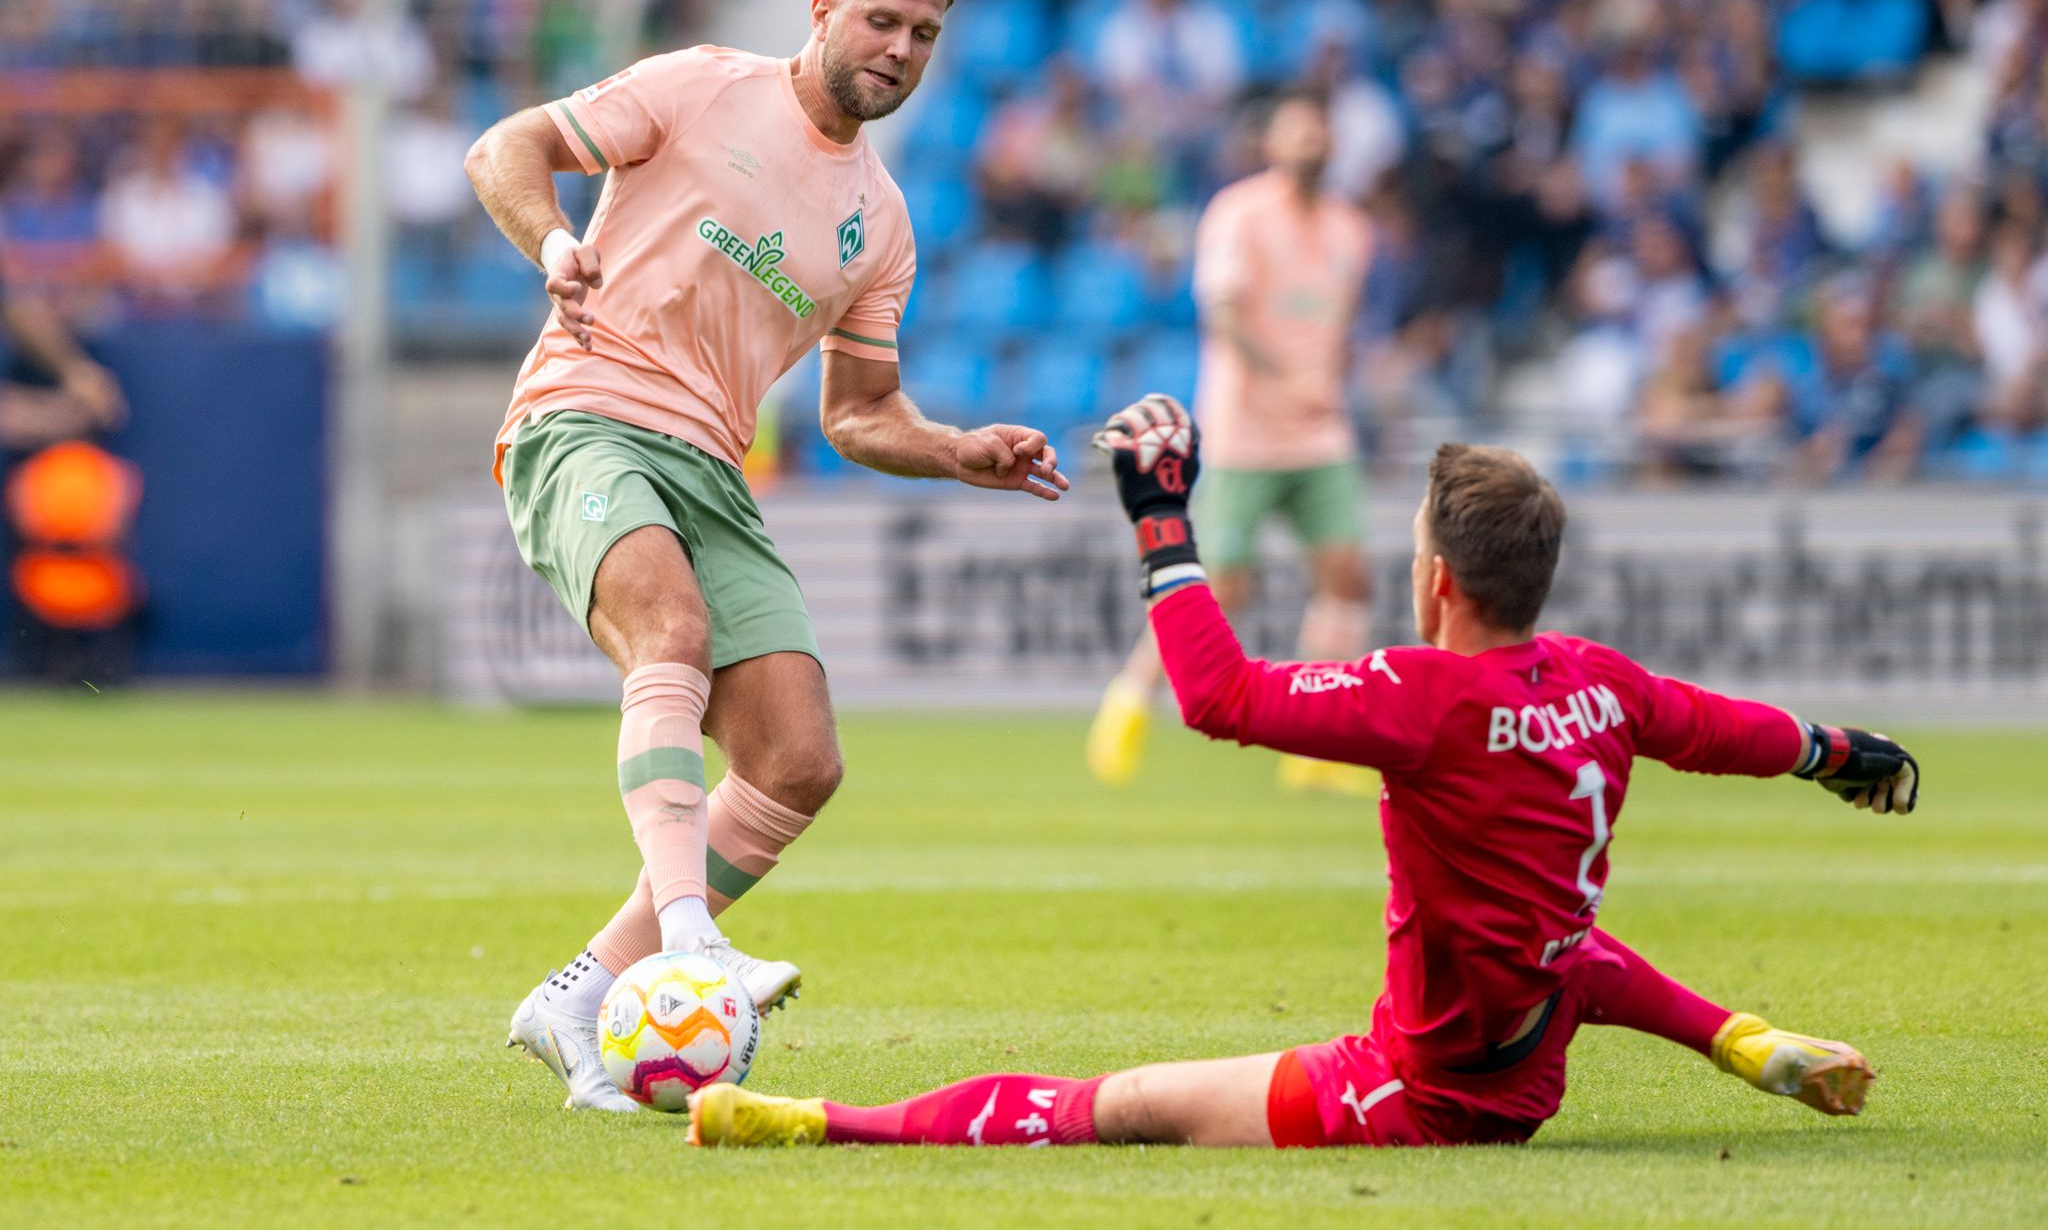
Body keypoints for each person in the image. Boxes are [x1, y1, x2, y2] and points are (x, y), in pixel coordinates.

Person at [688, 394, 1917, 1151]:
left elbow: (1217, 697)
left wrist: (1161, 524)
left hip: (1430, 1086)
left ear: (1435, 578)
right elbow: (1724, 728)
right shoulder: (1602, 681)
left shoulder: (1422, 698)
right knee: (1564, 947)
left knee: (1117, 1108)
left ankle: (820, 1125)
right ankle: (1743, 1039)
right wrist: (1837, 753)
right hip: (1534, 1021)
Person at [463, 0, 1070, 1113]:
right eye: (881, 22)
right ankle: (689, 941)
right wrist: (549, 241)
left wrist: (955, 450)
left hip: (709, 462)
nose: (899, 50)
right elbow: (506, 143)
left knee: (798, 760)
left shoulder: (881, 224)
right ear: (822, 13)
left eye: (923, 35)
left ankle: (582, 993)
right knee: (671, 635)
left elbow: (858, 413)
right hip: (583, 415)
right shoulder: (699, 88)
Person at [1086, 92, 1376, 795]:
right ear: (1271, 141)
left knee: (1345, 575)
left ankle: (1319, 743)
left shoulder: (1351, 230)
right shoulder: (1238, 215)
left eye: (1320, 129)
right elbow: (1222, 316)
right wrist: (1288, 378)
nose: (1311, 140)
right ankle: (1129, 699)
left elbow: (1337, 329)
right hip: (1248, 430)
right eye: (1297, 128)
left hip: (1321, 430)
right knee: (1221, 591)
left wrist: (1329, 379)